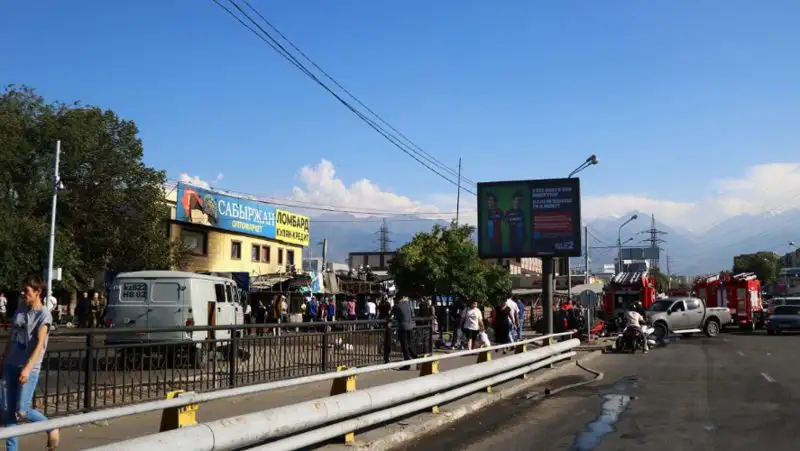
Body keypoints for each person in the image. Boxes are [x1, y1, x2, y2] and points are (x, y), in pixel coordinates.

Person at [2, 273, 60, 450]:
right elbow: (12, 339)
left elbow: (40, 344)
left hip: (28, 367)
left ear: (37, 292)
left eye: (26, 290)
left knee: (23, 410)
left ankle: (50, 427)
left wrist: (27, 368)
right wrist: (2, 362)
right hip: (10, 365)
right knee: (7, 412)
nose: (22, 293)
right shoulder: (20, 310)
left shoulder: (44, 316)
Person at [391, 298, 418, 369]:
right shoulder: (407, 304)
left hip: (403, 327)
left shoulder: (396, 306)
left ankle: (407, 364)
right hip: (410, 326)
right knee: (410, 343)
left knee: (404, 345)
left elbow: (391, 316)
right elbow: (411, 314)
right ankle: (417, 360)